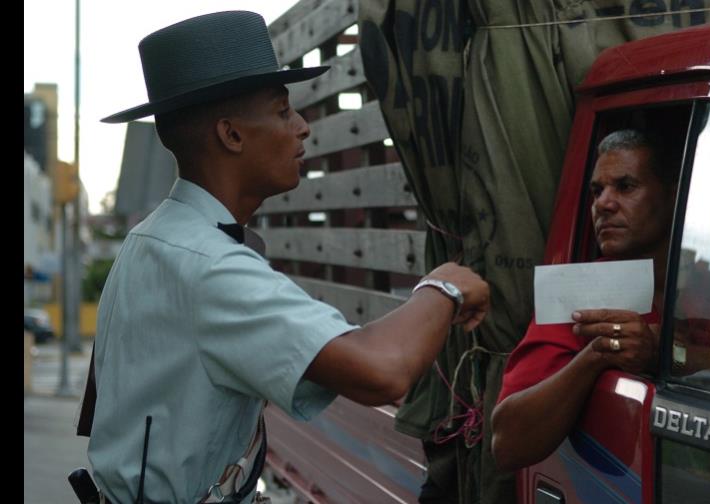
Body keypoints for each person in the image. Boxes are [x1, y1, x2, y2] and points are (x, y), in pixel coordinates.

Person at [83, 11, 490, 503]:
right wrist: (444, 284)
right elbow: (380, 371)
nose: (303, 128)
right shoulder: (211, 266)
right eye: (282, 112)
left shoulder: (150, 240)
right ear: (231, 135)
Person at [490, 129, 678, 471]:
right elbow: (507, 442)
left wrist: (664, 352)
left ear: (673, 195)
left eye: (625, 186)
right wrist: (598, 354)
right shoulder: (579, 290)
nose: (603, 203)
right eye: (597, 191)